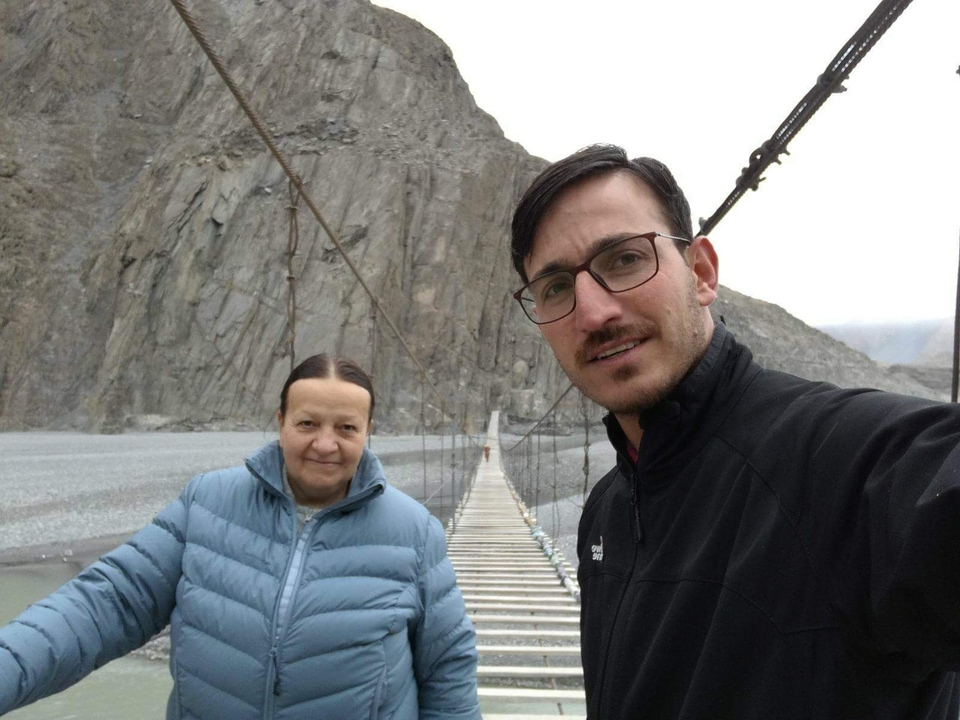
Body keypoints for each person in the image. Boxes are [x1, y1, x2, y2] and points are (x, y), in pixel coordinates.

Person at [510, 144, 960, 719]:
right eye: (555, 288)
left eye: (624, 260)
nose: (593, 314)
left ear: (700, 273)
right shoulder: (605, 510)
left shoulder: (839, 459)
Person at [0, 354, 480, 719]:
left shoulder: (415, 531)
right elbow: (111, 601)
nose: (325, 444)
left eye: (346, 428)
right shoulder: (207, 502)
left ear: (368, 432)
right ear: (280, 423)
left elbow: (447, 667)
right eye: (308, 423)